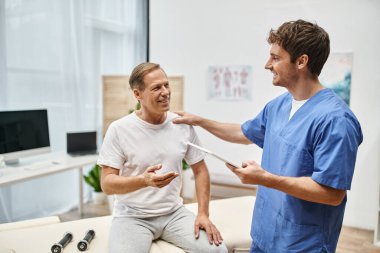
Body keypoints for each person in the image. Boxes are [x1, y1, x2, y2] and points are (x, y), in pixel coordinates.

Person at [173, 19, 363, 253]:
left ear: (302, 61)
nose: (267, 64)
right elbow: (242, 132)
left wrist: (265, 178)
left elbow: (332, 194)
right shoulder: (278, 105)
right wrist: (200, 121)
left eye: (275, 57)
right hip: (265, 234)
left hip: (303, 244)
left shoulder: (336, 121)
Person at [97, 62, 228, 253]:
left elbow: (200, 171)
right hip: (132, 217)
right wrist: (143, 181)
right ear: (137, 94)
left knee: (217, 251)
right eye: (156, 88)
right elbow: (107, 184)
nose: (165, 92)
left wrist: (202, 214)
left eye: (166, 85)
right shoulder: (119, 129)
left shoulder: (182, 125)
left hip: (174, 214)